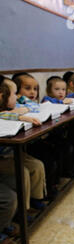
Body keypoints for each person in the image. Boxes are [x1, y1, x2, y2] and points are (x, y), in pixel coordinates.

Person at [0, 78, 47, 211]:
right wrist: (18, 116)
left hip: (11, 154)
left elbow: (30, 107)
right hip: (3, 158)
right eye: (14, 94)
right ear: (2, 96)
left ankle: (36, 199)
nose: (17, 97)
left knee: (37, 165)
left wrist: (19, 113)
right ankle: (23, 211)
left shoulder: (15, 107)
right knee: (23, 172)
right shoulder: (6, 111)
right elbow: (2, 115)